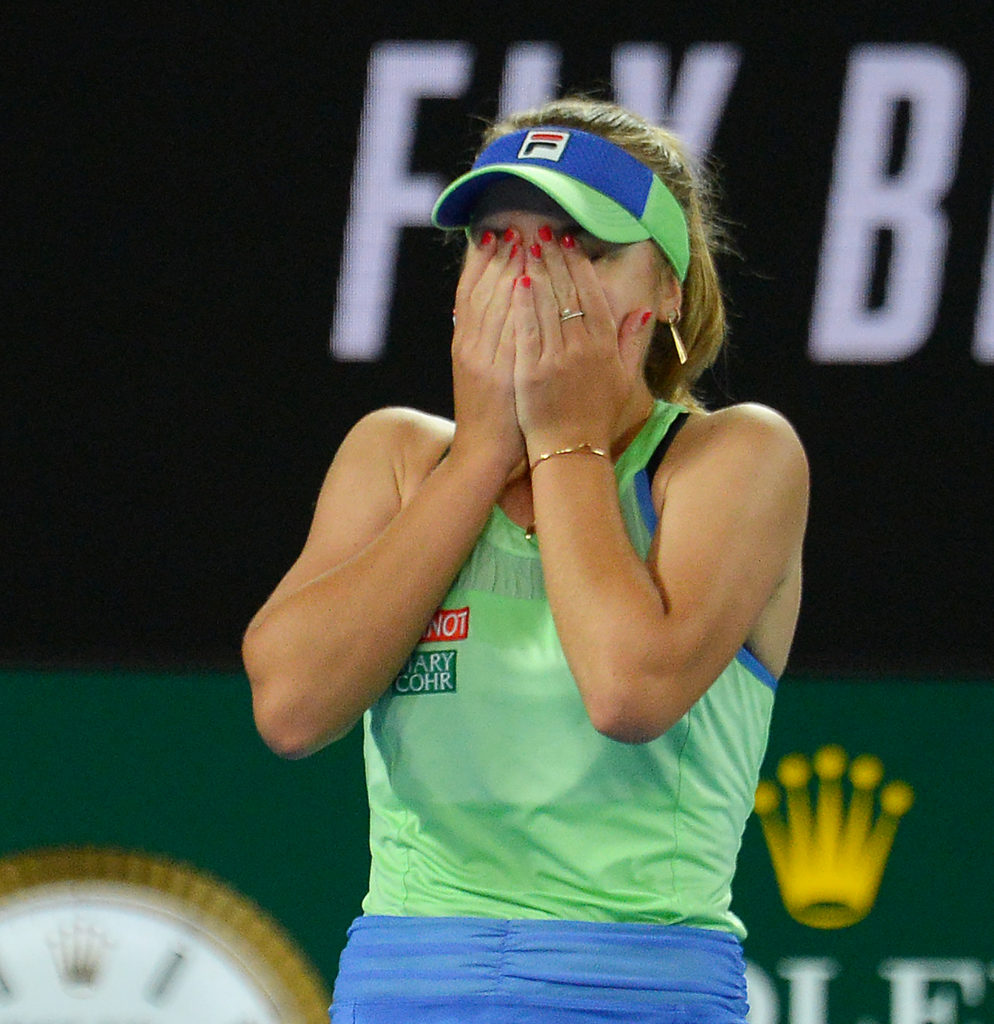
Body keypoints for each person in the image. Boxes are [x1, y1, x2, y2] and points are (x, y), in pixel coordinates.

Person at [243, 96, 809, 1023]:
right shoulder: (395, 455)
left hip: (632, 990)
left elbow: (629, 693)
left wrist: (566, 442)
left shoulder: (736, 456)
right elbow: (291, 709)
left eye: (580, 249)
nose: (531, 281)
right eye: (496, 243)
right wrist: (478, 456)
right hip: (404, 986)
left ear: (669, 289)